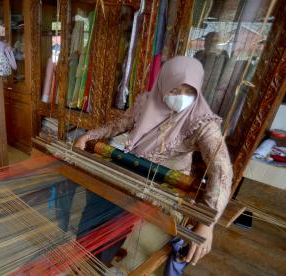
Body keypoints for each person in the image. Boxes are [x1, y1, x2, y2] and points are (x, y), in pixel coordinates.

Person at [75, 56, 232, 269]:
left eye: (189, 91)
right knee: (94, 212)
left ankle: (105, 264)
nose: (181, 97)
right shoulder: (145, 103)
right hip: (133, 172)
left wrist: (207, 224)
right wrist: (89, 136)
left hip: (166, 188)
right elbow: (119, 124)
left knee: (123, 231)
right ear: (163, 83)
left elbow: (222, 171)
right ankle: (86, 260)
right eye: (175, 90)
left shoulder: (202, 122)